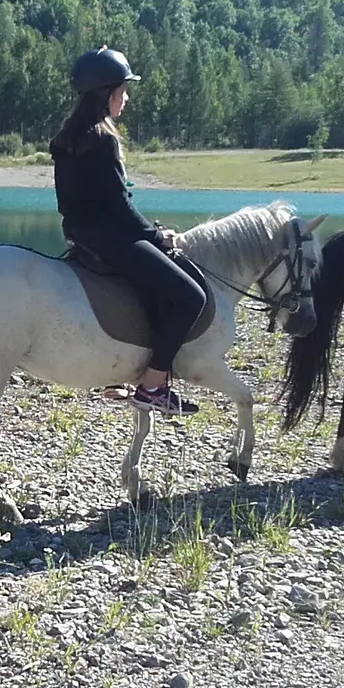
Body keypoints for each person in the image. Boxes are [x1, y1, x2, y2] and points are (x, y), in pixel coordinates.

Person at [51, 46, 206, 416]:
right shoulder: (104, 139)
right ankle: (153, 385)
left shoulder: (66, 137)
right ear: (106, 93)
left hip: (79, 237)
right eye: (123, 90)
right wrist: (156, 235)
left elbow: (74, 204)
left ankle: (121, 369)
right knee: (191, 297)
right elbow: (120, 206)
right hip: (111, 239)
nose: (127, 98)